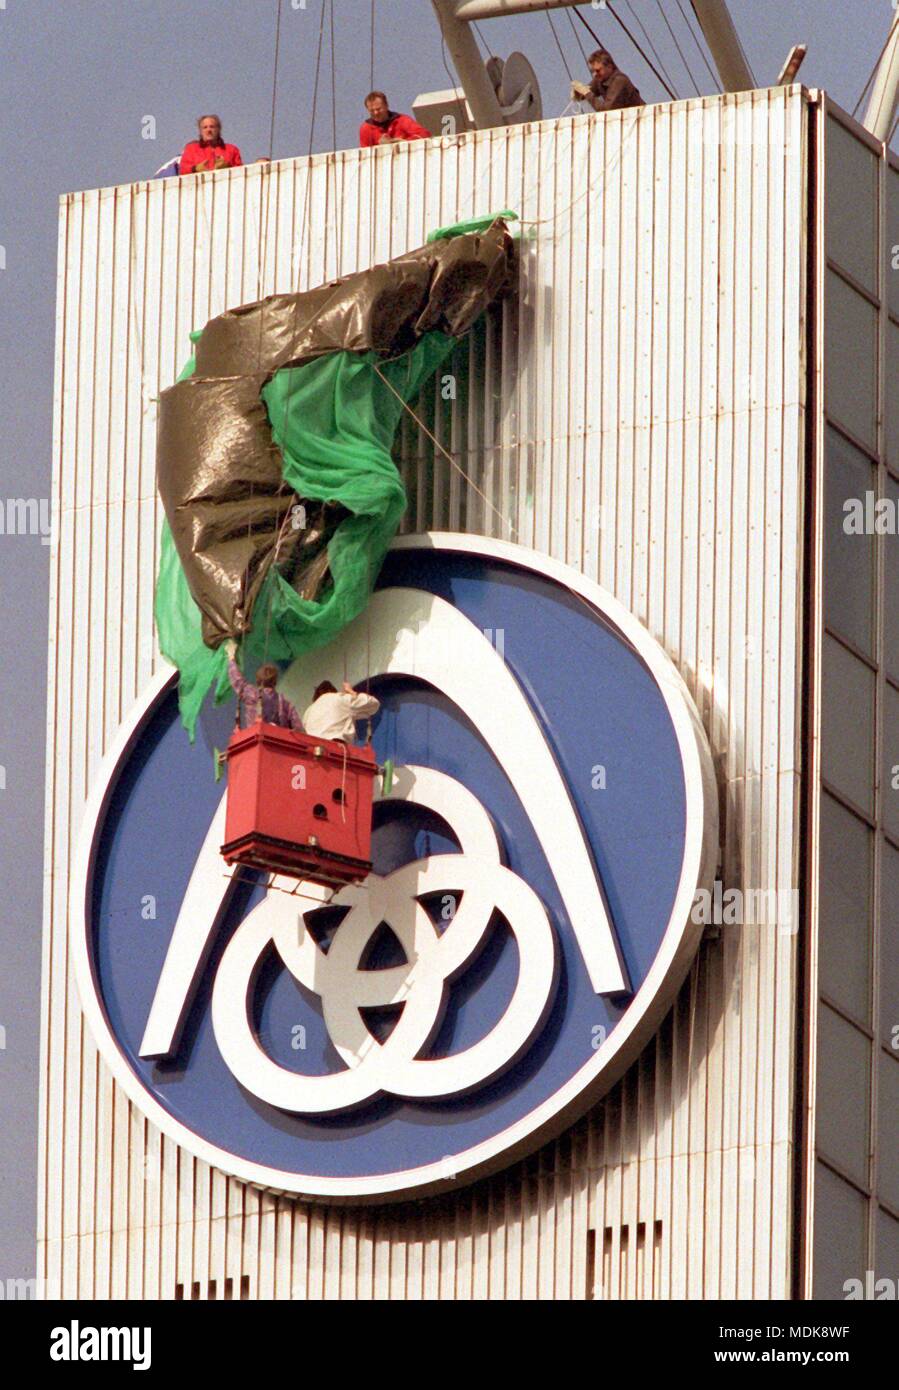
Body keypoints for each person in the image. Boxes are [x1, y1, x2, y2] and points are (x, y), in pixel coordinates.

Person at [225, 640, 303, 730]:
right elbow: (298, 728)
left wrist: (231, 657)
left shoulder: (252, 694)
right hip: (277, 742)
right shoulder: (285, 704)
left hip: (256, 739)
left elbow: (237, 681)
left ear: (257, 681)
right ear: (275, 682)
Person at [303, 681, 380, 743]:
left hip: (312, 749)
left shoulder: (308, 711)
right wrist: (351, 692)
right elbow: (373, 703)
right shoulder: (339, 698)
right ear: (332, 691)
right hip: (336, 748)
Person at [570, 50, 643, 113]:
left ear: (609, 67)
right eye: (592, 71)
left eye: (598, 70)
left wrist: (586, 92)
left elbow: (606, 110)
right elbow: (586, 93)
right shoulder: (600, 79)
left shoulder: (619, 81)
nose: (595, 74)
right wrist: (578, 92)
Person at [359, 92, 431, 148]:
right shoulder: (366, 129)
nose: (376, 113)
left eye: (378, 109)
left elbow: (424, 134)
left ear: (386, 106)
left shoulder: (401, 120)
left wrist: (403, 142)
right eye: (372, 110)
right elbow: (365, 154)